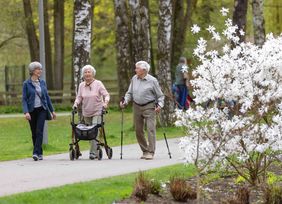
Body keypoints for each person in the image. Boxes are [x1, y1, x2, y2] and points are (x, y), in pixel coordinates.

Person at [120, 60, 164, 160]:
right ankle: (145, 151)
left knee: (150, 129)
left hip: (150, 106)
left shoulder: (152, 80)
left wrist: (160, 105)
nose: (135, 70)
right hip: (136, 107)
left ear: (144, 70)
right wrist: (125, 101)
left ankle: (151, 152)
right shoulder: (134, 79)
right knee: (138, 130)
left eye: (137, 68)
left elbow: (160, 96)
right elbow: (129, 93)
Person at [73, 65, 110, 160]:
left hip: (97, 111)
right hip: (86, 112)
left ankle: (93, 152)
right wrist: (76, 104)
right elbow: (79, 97)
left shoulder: (98, 83)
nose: (87, 74)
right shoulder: (81, 85)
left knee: (94, 131)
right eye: (85, 72)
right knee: (88, 132)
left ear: (93, 74)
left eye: (89, 72)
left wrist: (105, 103)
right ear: (83, 75)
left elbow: (106, 95)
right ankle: (96, 148)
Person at [22, 61, 56, 161]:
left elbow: (46, 97)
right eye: (38, 69)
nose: (40, 71)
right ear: (32, 71)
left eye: (40, 69)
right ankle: (40, 152)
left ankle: (35, 152)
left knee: (39, 131)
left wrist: (52, 110)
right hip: (32, 110)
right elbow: (24, 99)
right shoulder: (26, 84)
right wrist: (26, 112)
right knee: (34, 133)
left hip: (42, 109)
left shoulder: (43, 82)